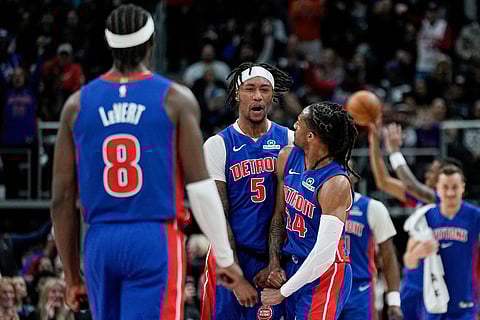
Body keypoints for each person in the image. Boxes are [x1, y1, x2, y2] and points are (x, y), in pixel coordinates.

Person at [50, 4, 243, 320]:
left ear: (109, 44)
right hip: (154, 238)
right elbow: (199, 187)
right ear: (151, 43)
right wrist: (224, 255)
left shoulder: (76, 105)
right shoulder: (174, 99)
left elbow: (61, 200)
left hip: (100, 239)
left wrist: (72, 276)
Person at [201, 62, 294, 320]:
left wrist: (275, 263)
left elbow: (287, 208)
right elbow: (218, 215)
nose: (257, 96)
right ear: (236, 94)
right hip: (229, 254)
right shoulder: (218, 144)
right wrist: (236, 275)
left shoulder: (289, 140)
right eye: (250, 89)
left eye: (264, 90)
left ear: (272, 97)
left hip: (271, 256)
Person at [261, 101, 357, 319]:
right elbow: (279, 216)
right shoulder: (287, 158)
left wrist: (282, 293)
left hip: (325, 273)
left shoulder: (335, 183)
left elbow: (324, 255)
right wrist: (275, 263)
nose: (295, 124)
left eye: (300, 121)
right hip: (294, 265)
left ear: (311, 136)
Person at [368, 120, 461, 320]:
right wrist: (373, 142)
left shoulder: (443, 202)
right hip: (413, 279)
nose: (428, 174)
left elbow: (411, 185)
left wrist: (394, 152)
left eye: (434, 171)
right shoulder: (421, 201)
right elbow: (383, 181)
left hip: (436, 281)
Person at [403, 165, 480, 319]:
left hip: (466, 303)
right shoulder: (425, 217)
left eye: (455, 187)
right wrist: (416, 254)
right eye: (445, 187)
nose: (450, 193)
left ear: (463, 188)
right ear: (437, 188)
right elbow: (408, 261)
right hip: (434, 302)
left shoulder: (475, 216)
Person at [338, 161, 403, 320]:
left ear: (355, 177)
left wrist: (394, 301)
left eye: (346, 169)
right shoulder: (316, 206)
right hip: (327, 286)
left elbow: (388, 256)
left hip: (360, 289)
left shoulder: (373, 208)